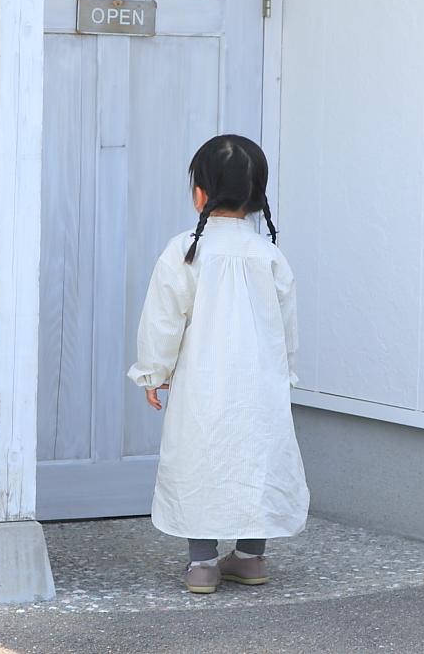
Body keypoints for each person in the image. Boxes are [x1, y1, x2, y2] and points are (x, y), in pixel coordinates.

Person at [128, 134, 308, 594]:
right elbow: (287, 325)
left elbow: (164, 319)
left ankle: (203, 563)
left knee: (200, 458)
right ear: (257, 198)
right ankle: (251, 557)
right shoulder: (269, 255)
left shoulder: (186, 251)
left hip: (201, 385)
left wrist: (154, 370)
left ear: (199, 194)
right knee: (256, 460)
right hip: (260, 384)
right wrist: (283, 372)